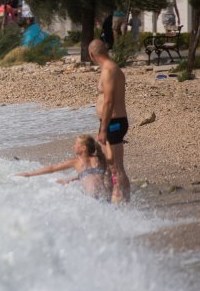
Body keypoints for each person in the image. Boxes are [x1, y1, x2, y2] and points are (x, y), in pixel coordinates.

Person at [89, 39, 130, 203]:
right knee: (110, 166)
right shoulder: (111, 68)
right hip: (111, 122)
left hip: (113, 122)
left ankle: (123, 205)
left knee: (116, 168)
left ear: (92, 54)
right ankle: (118, 201)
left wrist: (104, 129)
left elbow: (109, 101)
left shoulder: (109, 70)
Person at [17, 135, 111, 201]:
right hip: (105, 196)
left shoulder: (77, 161)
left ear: (83, 148)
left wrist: (30, 174)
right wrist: (71, 179)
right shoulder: (99, 159)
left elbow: (52, 168)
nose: (73, 146)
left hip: (92, 198)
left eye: (76, 144)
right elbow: (91, 174)